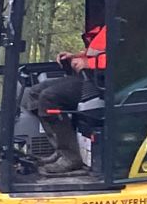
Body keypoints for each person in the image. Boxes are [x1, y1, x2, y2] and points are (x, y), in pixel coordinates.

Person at [19, 23, 107, 176]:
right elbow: (97, 53)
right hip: (88, 76)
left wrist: (88, 63)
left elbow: (122, 58)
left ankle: (71, 157)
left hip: (103, 83)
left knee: (48, 98)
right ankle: (61, 149)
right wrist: (75, 56)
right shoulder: (109, 25)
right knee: (35, 93)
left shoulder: (127, 24)